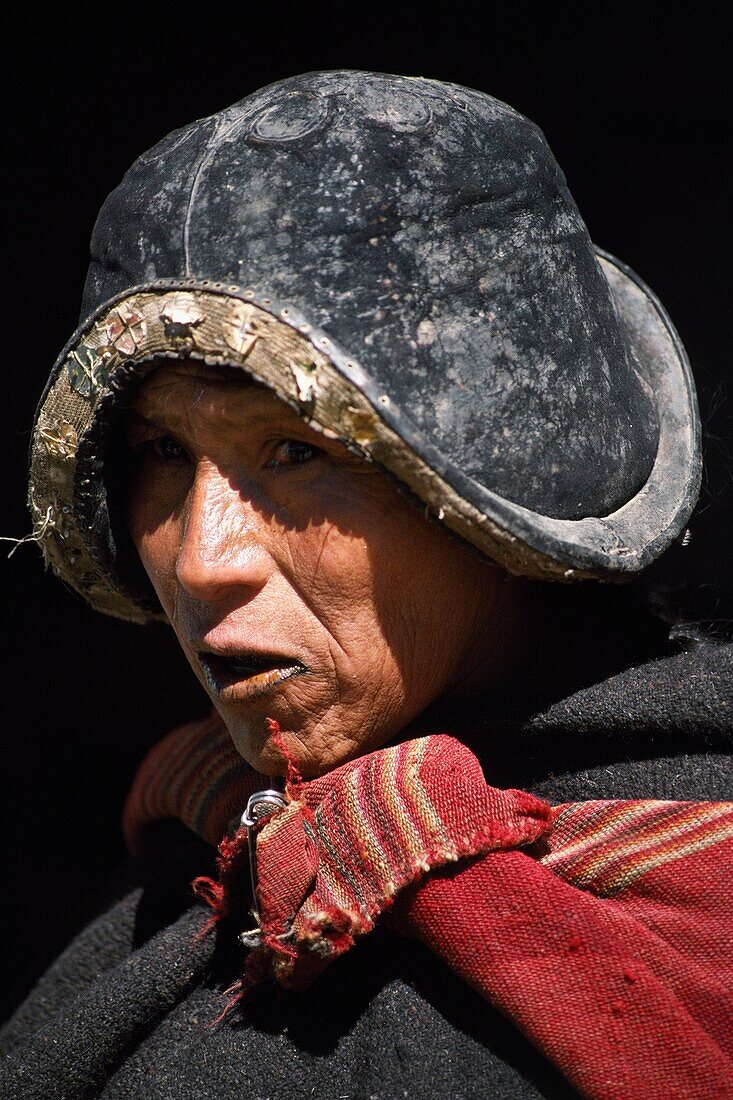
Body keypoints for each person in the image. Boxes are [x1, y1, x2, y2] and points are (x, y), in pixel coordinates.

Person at [2, 71, 731, 1099]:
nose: (204, 557)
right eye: (161, 449)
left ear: (493, 483)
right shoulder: (198, 860)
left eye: (297, 450)